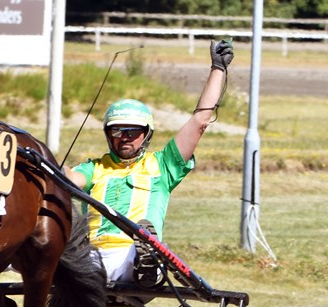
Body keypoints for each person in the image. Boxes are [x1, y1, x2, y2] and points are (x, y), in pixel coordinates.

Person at [65, 39, 233, 287]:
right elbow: (68, 180)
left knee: (142, 250)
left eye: (133, 131)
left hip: (133, 254)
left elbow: (200, 121)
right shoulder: (95, 167)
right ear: (108, 134)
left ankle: (148, 258)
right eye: (117, 131)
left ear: (146, 134)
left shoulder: (164, 165)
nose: (125, 138)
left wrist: (218, 69)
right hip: (92, 258)